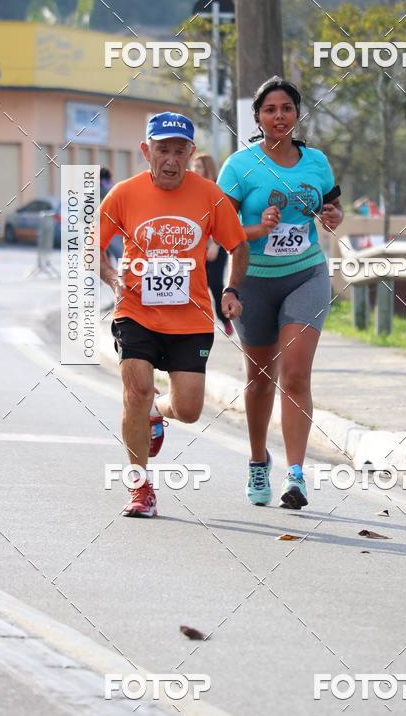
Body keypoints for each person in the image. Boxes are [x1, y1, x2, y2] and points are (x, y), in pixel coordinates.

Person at [98, 112, 248, 517]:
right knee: (136, 389)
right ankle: (139, 486)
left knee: (188, 409)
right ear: (147, 151)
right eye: (162, 150)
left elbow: (238, 245)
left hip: (192, 317)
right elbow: (92, 246)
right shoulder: (124, 195)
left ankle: (155, 413)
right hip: (135, 311)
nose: (170, 160)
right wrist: (113, 281)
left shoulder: (209, 195)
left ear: (190, 153)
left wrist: (231, 290)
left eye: (179, 151)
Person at [217, 76, 343, 509]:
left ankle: (295, 475)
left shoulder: (317, 162)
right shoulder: (239, 166)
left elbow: (334, 207)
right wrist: (258, 228)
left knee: (295, 373)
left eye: (286, 108)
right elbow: (222, 231)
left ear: (297, 114)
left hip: (306, 274)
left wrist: (331, 215)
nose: (279, 116)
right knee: (259, 379)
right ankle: (257, 461)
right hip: (254, 281)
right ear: (258, 117)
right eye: (270, 109)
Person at [192, 153, 233, 336]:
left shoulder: (217, 189)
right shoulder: (190, 189)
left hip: (216, 245)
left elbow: (222, 221)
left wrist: (214, 245)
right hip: (195, 246)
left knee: (215, 284)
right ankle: (197, 323)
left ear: (208, 169)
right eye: (193, 166)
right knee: (196, 285)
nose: (194, 170)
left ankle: (225, 319)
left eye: (198, 166)